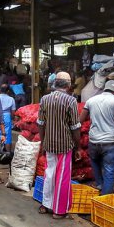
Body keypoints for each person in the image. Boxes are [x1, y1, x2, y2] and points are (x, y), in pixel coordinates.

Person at [37, 72, 82, 219]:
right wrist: (78, 146)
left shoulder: (45, 99)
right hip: (64, 145)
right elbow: (75, 126)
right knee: (62, 176)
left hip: (49, 143)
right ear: (69, 85)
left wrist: (43, 142)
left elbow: (41, 124)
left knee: (49, 174)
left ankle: (46, 204)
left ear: (55, 84)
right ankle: (59, 210)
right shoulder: (71, 101)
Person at [0, 84, 16, 152]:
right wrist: (12, 119)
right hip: (6, 117)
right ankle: (7, 155)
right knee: (7, 136)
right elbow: (13, 112)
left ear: (0, 90)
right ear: (8, 91)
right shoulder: (11, 99)